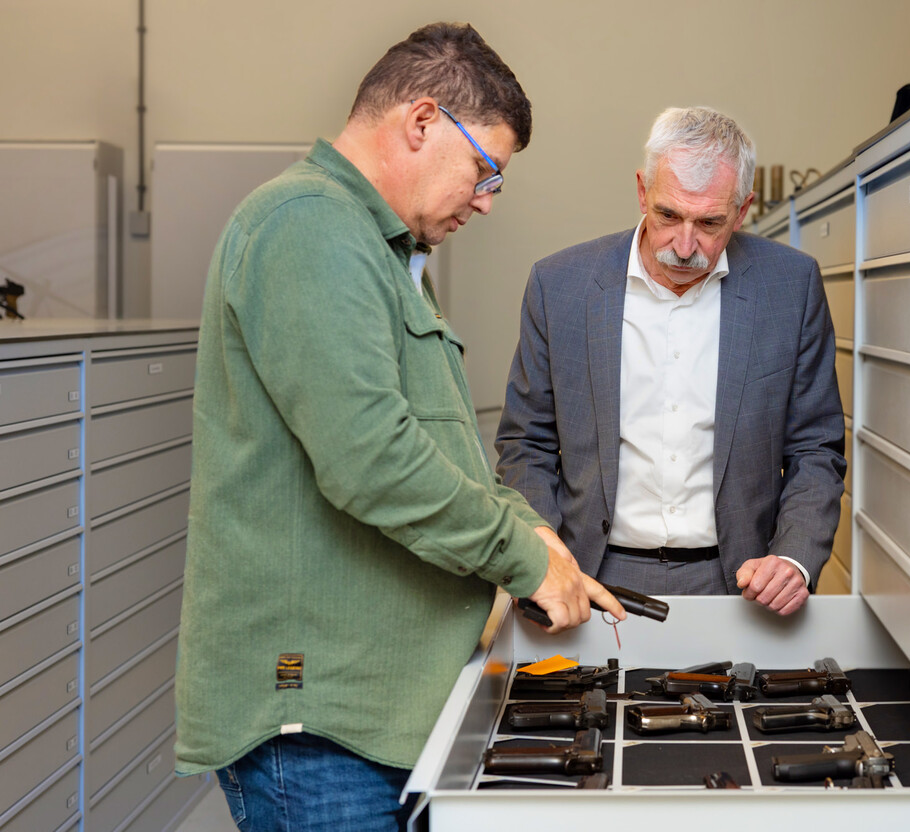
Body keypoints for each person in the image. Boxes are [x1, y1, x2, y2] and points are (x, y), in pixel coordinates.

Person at [174, 23, 624, 832]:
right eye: (486, 170)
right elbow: (371, 459)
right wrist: (522, 557)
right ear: (421, 122)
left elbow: (441, 451)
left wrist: (538, 536)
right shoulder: (309, 227)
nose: (486, 200)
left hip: (376, 714)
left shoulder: (381, 253)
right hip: (323, 728)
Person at [496, 106, 846, 617]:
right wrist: (543, 552)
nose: (685, 246)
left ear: (743, 209)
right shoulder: (560, 286)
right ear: (642, 191)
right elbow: (526, 442)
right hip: (590, 574)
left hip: (739, 581)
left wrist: (793, 557)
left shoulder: (790, 287)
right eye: (667, 215)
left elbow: (816, 447)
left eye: (709, 223)